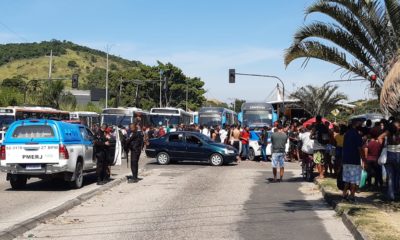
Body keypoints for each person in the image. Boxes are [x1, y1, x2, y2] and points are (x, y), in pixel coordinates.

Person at [342, 119, 364, 203]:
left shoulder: (346, 134)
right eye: (360, 124)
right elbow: (359, 148)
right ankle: (352, 196)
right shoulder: (357, 135)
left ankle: (344, 195)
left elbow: (344, 147)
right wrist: (364, 159)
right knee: (353, 180)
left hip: (346, 159)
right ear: (356, 125)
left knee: (347, 180)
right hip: (354, 160)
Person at [378, 119, 400, 201]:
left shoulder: (388, 133)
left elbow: (379, 138)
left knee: (390, 176)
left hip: (389, 155)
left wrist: (384, 146)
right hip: (398, 155)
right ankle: (397, 193)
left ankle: (390, 196)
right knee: (398, 175)